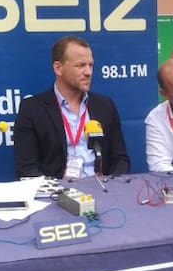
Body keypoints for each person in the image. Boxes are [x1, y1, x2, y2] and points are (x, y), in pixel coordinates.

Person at [14, 36, 130, 179]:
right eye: (80, 65)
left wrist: (113, 186)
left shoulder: (105, 105)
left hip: (103, 187)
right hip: (58, 190)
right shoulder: (32, 109)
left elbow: (120, 160)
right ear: (58, 68)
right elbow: (27, 170)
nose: (88, 72)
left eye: (90, 65)